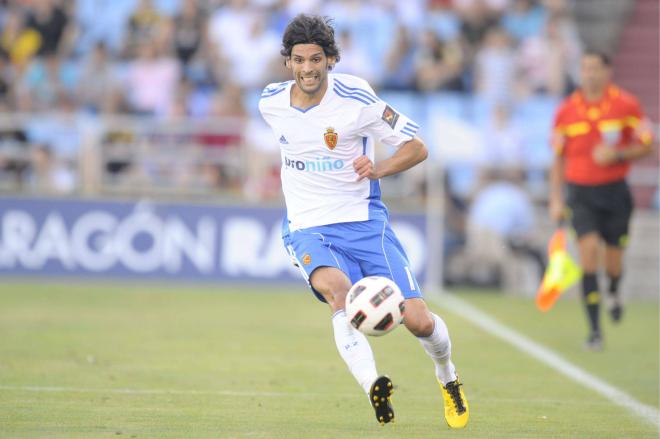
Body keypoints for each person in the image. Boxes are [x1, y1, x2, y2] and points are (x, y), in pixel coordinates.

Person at [258, 14, 469, 428]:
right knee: (339, 295)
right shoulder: (270, 102)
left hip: (364, 224)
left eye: (316, 59)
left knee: (419, 321)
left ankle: (449, 378)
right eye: (298, 60)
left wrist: (379, 168)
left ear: (331, 59)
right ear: (288, 63)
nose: (307, 69)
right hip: (308, 226)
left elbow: (417, 148)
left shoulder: (356, 97)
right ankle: (375, 385)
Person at [549, 51, 654, 350]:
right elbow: (557, 159)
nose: (590, 74)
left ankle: (615, 290)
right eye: (585, 68)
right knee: (589, 252)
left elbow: (647, 144)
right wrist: (556, 198)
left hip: (615, 192)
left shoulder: (626, 104)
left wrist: (618, 154)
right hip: (580, 194)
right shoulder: (567, 110)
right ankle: (595, 331)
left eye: (595, 68)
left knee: (614, 263)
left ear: (608, 71)